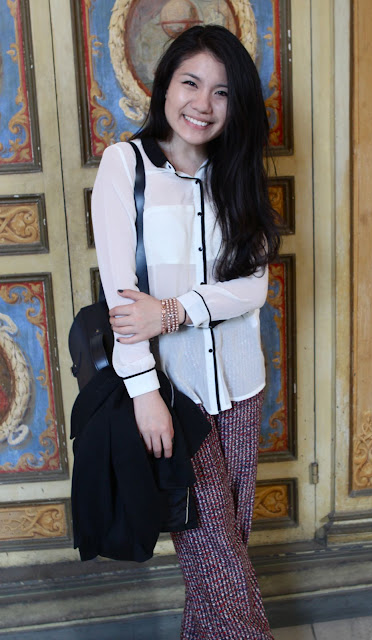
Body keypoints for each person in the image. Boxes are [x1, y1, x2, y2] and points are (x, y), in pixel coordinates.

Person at [91, 24, 280, 640]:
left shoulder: (237, 170)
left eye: (221, 92)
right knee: (217, 559)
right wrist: (144, 394)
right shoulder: (126, 167)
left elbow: (253, 288)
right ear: (164, 86)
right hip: (175, 397)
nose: (203, 103)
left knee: (225, 556)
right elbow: (124, 304)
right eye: (191, 84)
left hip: (243, 386)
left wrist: (172, 310)